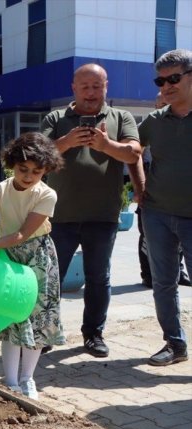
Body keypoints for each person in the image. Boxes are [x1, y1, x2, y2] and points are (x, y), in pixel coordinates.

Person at [41, 63, 142, 358]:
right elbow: (37, 155)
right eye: (84, 86)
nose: (91, 92)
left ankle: (93, 334)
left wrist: (106, 144)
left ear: (106, 86)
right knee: (51, 277)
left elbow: (134, 153)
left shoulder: (120, 117)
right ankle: (46, 333)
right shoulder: (56, 117)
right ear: (73, 88)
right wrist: (68, 141)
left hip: (103, 216)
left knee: (99, 277)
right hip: (59, 216)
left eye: (97, 86)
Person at [0, 132, 65, 400]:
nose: (29, 176)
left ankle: (28, 378)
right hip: (7, 258)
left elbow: (23, 234)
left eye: (37, 171)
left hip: (38, 257)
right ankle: (10, 382)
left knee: (37, 317)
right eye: (23, 169)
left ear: (46, 170)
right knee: (6, 315)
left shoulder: (47, 195)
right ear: (12, 164)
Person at [138, 49, 192, 366]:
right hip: (157, 214)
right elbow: (131, 149)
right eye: (161, 80)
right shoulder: (154, 121)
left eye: (174, 78)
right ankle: (175, 343)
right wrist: (139, 185)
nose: (166, 86)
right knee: (163, 283)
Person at [137, 92, 190, 289]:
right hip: (154, 199)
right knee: (148, 242)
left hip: (183, 205)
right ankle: (148, 274)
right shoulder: (153, 124)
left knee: (179, 243)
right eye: (160, 103)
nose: (164, 105)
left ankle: (179, 271)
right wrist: (139, 183)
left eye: (166, 102)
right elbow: (135, 153)